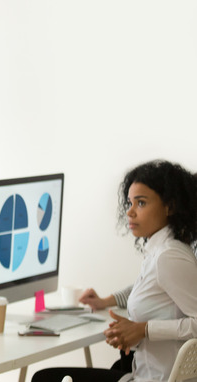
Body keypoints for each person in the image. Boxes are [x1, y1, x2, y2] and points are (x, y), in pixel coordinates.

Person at [32, 160, 197, 382]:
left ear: (170, 206)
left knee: (45, 378)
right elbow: (150, 289)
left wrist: (144, 330)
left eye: (141, 203)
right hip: (145, 373)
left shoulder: (168, 256)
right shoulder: (163, 250)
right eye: (129, 203)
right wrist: (107, 302)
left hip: (154, 379)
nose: (129, 212)